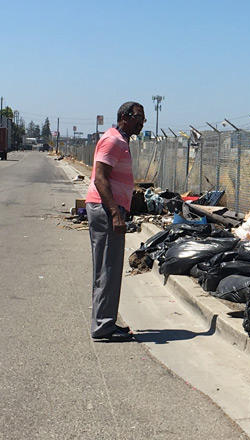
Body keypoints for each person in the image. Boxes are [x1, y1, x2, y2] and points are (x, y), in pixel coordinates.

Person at [85, 101, 146, 341]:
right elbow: (101, 179)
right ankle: (103, 326)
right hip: (106, 208)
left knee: (105, 268)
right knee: (108, 269)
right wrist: (115, 213)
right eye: (137, 117)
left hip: (106, 208)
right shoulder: (113, 141)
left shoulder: (120, 140)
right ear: (123, 117)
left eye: (143, 119)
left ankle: (103, 321)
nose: (141, 122)